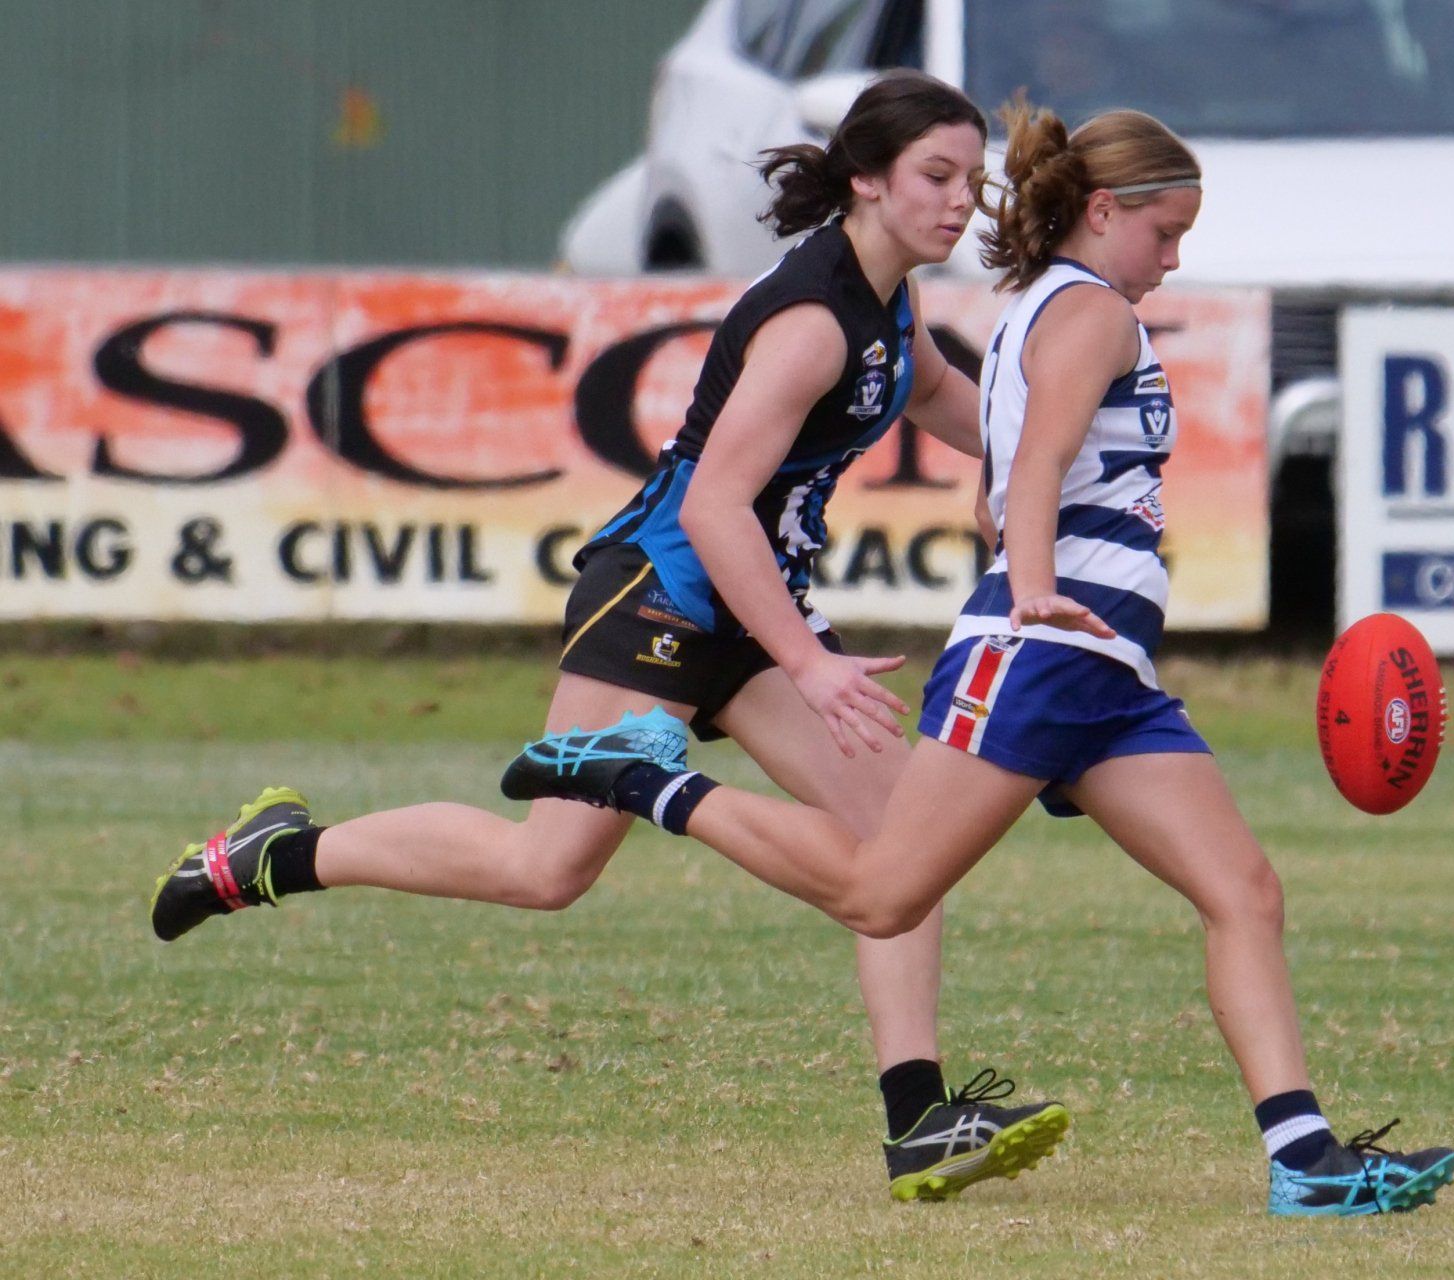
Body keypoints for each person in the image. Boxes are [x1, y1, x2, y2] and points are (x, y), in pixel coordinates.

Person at [504, 96, 1454, 1218]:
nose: (1174, 259)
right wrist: (1033, 581)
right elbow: (1036, 464)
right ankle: (647, 781)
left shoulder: (986, 309)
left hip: (1106, 672)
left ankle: (1304, 1159)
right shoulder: (1082, 310)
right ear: (1104, 211)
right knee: (880, 891)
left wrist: (1024, 529)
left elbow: (999, 446)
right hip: (1028, 649)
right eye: (1165, 234)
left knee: (1243, 889)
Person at [148, 70, 1070, 1203]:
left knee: (900, 847)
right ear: (868, 180)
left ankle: (920, 1120)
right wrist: (809, 661)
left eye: (971, 179)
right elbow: (711, 508)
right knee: (546, 870)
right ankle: (269, 856)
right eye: (936, 176)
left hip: (748, 601)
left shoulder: (887, 303)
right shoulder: (809, 324)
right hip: (659, 595)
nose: (960, 201)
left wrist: (1042, 455)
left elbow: (929, 393)